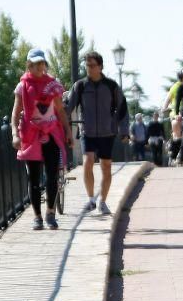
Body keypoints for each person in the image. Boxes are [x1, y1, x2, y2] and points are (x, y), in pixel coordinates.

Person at [11, 48, 73, 230]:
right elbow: (15, 113)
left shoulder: (53, 85)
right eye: (36, 63)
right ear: (28, 65)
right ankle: (37, 217)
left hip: (51, 132)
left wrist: (68, 132)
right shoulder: (22, 87)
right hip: (31, 135)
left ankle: (51, 213)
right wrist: (15, 134)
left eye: (42, 63)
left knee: (52, 175)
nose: (39, 67)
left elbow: (60, 111)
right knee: (34, 178)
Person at [65, 50, 129, 216]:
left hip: (107, 133)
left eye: (92, 65)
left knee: (106, 167)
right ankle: (91, 199)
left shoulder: (111, 86)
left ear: (100, 66)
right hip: (87, 131)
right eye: (87, 65)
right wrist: (58, 121)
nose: (89, 68)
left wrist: (124, 131)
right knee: (88, 161)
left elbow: (122, 109)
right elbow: (68, 107)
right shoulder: (80, 86)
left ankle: (103, 202)